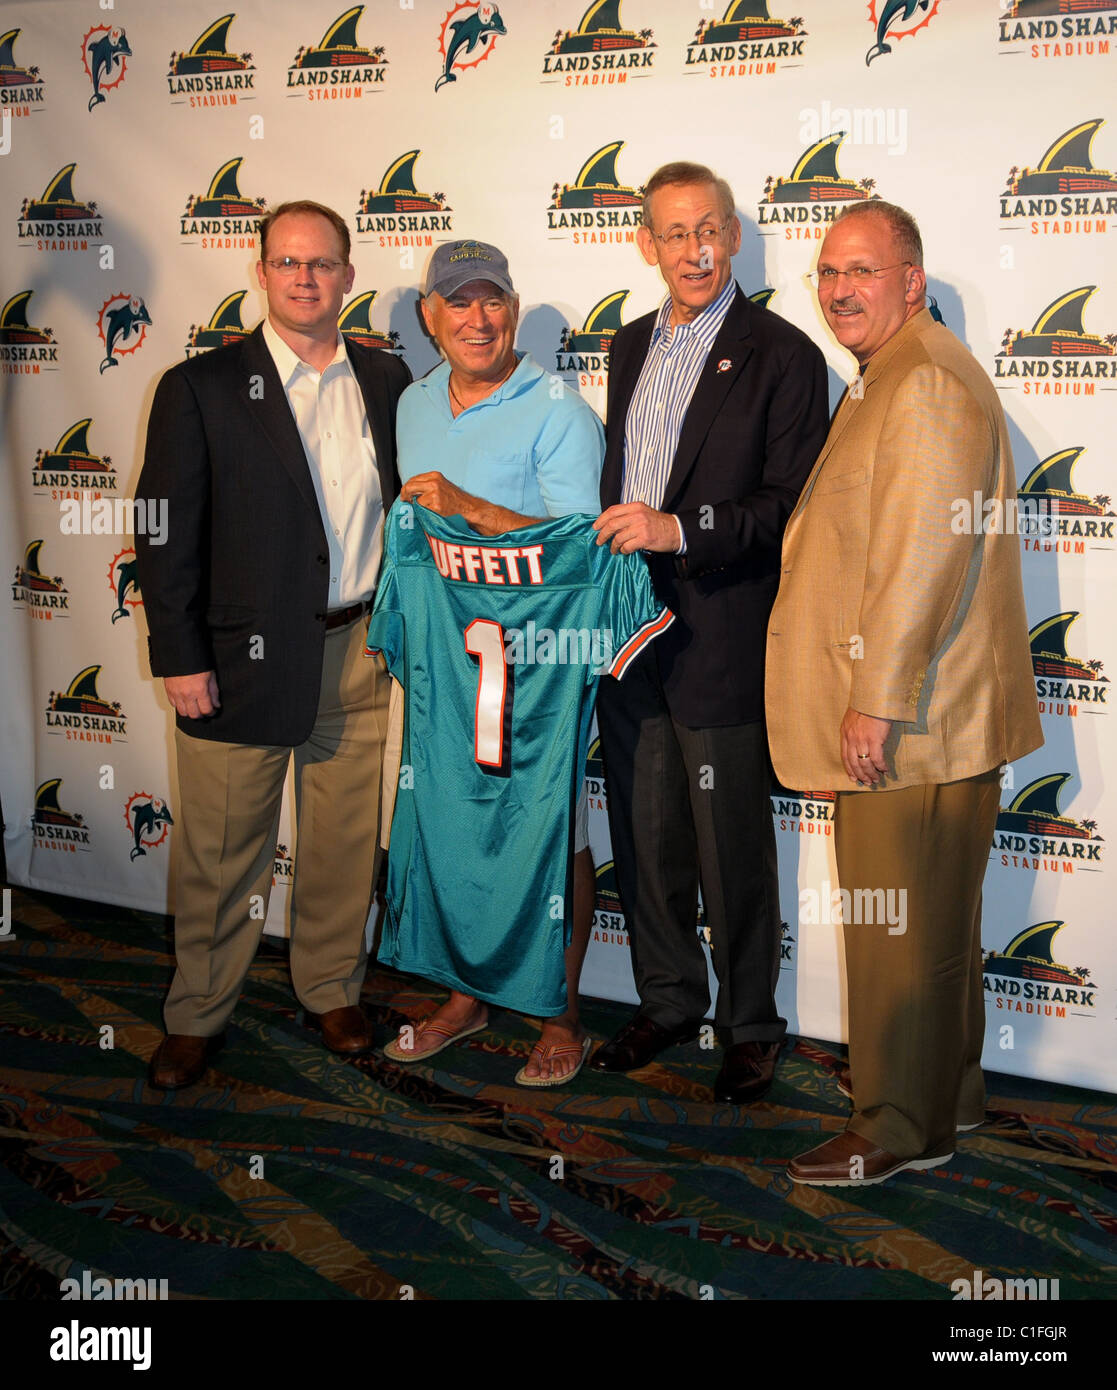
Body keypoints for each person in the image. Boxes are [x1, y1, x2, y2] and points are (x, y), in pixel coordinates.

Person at [766, 200, 1042, 1184]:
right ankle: (946, 1101)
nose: (840, 289)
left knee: (891, 930)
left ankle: (890, 1126)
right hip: (938, 718)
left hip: (909, 721)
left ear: (912, 281)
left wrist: (875, 700)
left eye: (863, 272)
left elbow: (922, 560)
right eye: (827, 272)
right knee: (930, 929)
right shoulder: (902, 373)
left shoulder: (921, 382)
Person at [136, 200, 410, 1089]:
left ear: (347, 276)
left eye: (321, 263)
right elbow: (163, 532)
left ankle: (331, 988)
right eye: (287, 262)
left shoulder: (389, 381)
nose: (304, 277)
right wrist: (177, 654)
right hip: (238, 661)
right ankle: (199, 1010)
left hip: (360, 648)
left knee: (339, 841)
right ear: (260, 272)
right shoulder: (200, 388)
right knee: (222, 850)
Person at [590, 162, 829, 1102]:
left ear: (732, 237)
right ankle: (668, 1000)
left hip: (722, 632)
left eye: (708, 230)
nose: (692, 250)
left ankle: (750, 1024)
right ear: (645, 244)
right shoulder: (624, 346)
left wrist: (678, 529)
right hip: (627, 629)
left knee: (730, 844)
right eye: (671, 233)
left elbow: (789, 508)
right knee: (645, 835)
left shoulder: (781, 353)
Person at [382, 240, 605, 1086]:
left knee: (550, 828)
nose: (478, 319)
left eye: (493, 301)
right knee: (451, 819)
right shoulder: (412, 403)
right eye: (458, 303)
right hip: (453, 659)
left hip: (538, 664)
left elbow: (583, 549)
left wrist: (469, 508)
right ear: (429, 318)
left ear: (513, 309)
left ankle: (561, 1011)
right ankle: (465, 994)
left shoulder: (556, 406)